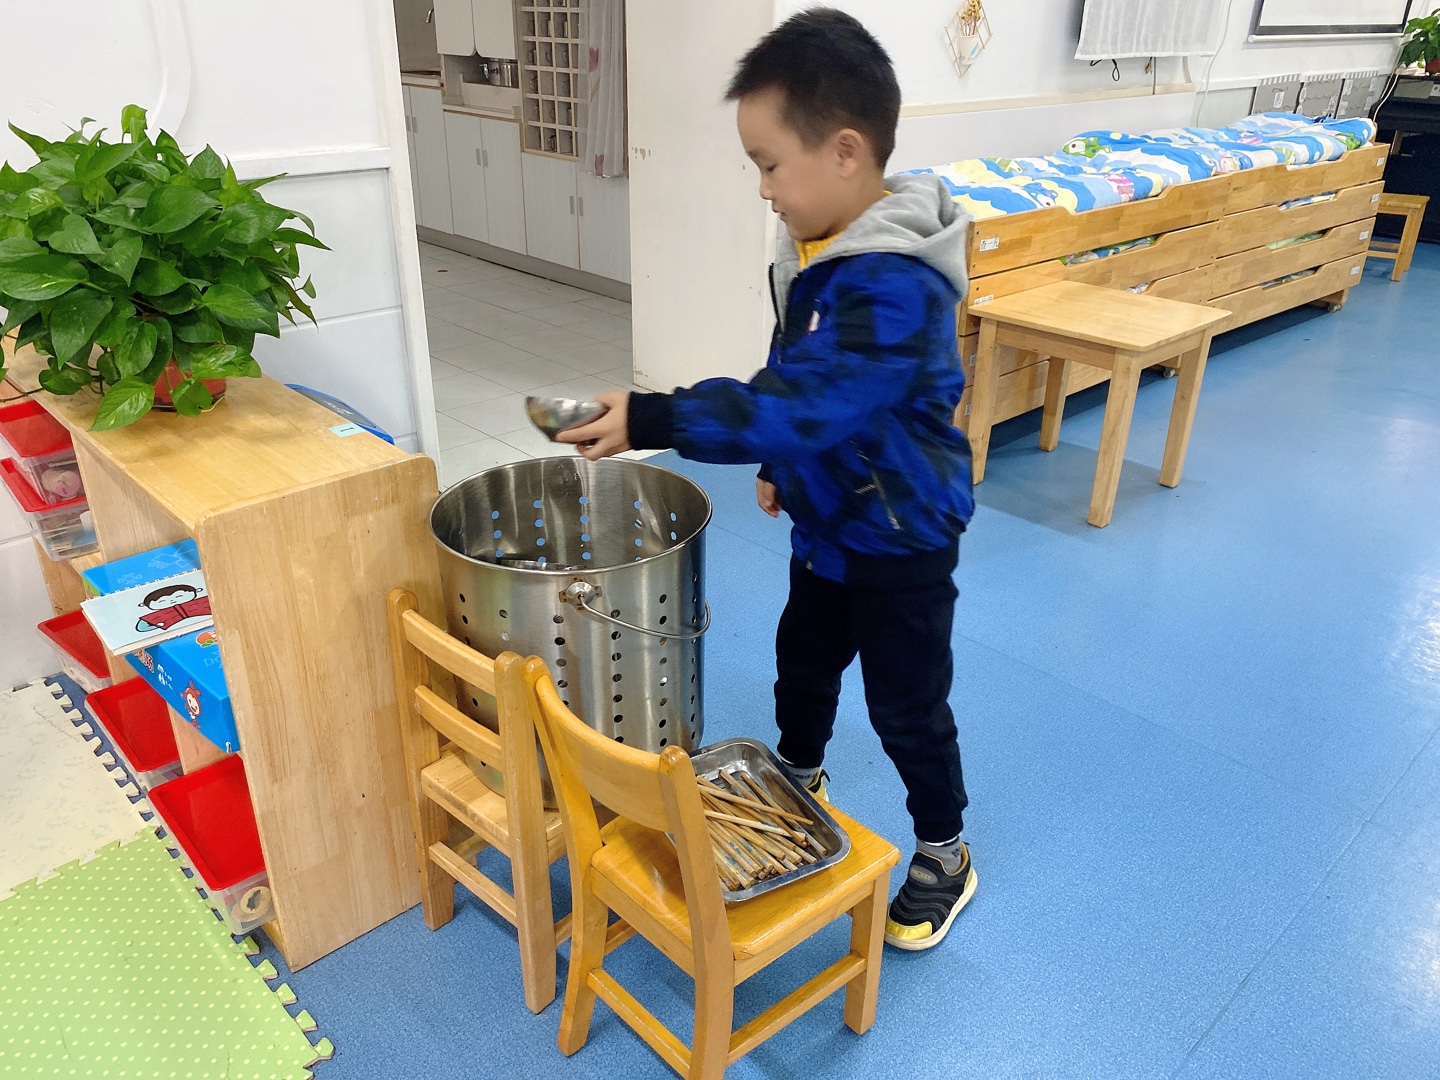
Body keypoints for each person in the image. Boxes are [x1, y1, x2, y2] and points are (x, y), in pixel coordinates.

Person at [557, 7, 976, 951]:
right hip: (830, 522)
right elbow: (798, 382)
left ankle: (944, 850)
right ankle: (800, 771)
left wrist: (654, 417)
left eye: (769, 165)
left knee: (906, 705)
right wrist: (787, 469)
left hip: (902, 535)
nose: (763, 189)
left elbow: (810, 403)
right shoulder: (820, 249)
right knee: (804, 662)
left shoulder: (896, 285)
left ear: (844, 151)